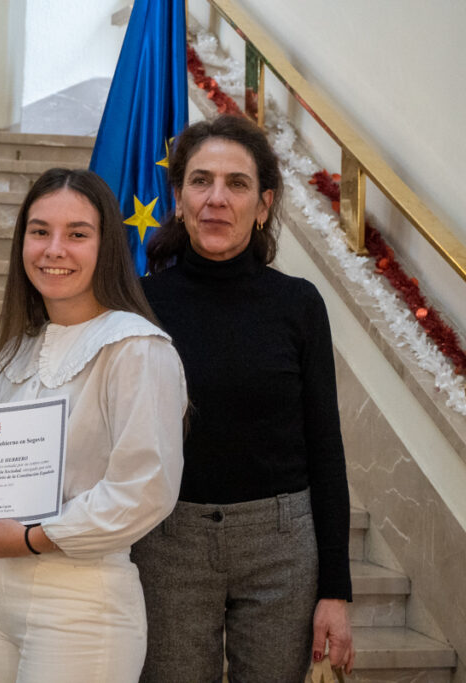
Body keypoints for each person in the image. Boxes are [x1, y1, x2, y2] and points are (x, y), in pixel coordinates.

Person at [0, 168, 187, 682]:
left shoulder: (136, 348)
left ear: (106, 246)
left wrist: (34, 537)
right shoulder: (15, 354)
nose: (54, 250)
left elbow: (145, 490)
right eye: (40, 231)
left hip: (80, 604)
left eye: (77, 234)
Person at [132, 114, 355, 682]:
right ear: (178, 199)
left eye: (237, 184)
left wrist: (336, 591)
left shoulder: (299, 305)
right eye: (200, 181)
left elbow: (326, 448)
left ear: (263, 205)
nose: (217, 199)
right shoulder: (137, 304)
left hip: (281, 548)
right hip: (168, 542)